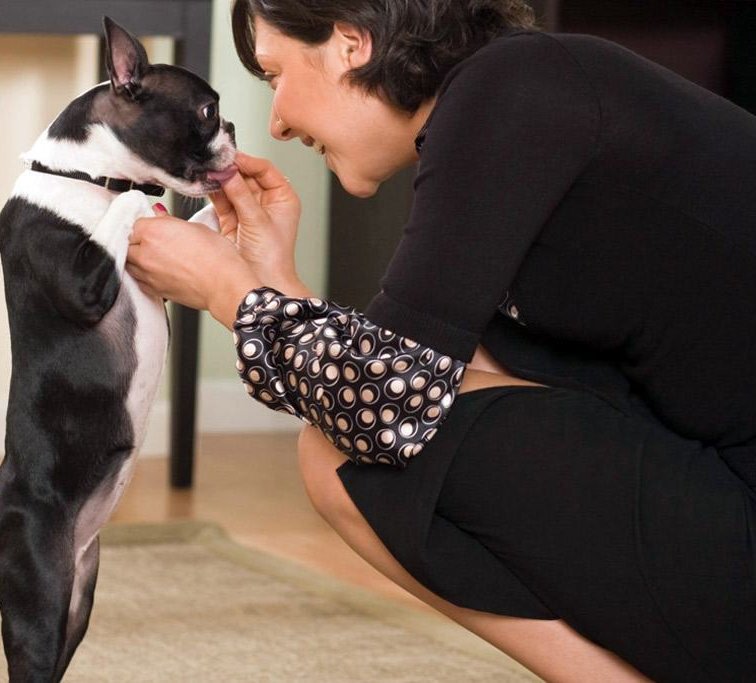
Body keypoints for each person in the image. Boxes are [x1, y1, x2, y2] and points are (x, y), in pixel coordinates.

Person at [125, 1, 756, 680]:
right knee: (449, 377)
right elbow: (406, 378)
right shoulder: (519, 94)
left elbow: (385, 408)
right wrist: (274, 286)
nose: (276, 121)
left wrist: (228, 291)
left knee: (336, 454)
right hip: (723, 490)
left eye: (275, 73)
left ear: (349, 43)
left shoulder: (513, 85)